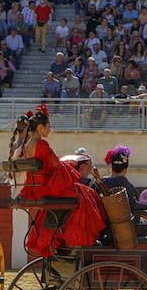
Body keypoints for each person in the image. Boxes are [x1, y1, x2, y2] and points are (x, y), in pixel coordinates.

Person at [14, 105, 104, 256]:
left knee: (82, 191)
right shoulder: (41, 144)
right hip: (45, 188)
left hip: (35, 187)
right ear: (41, 128)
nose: (50, 130)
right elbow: (56, 165)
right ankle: (77, 238)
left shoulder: (27, 145)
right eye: (49, 127)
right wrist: (70, 164)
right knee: (84, 194)